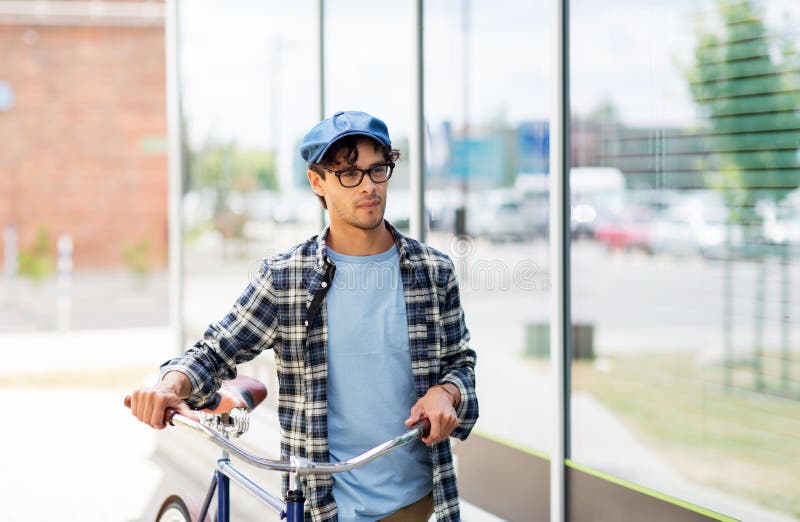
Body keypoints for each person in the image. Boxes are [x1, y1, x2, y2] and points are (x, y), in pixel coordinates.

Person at [128, 110, 478, 522]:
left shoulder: (431, 271)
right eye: (348, 173)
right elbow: (214, 351)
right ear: (318, 182)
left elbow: (460, 364)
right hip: (320, 507)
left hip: (416, 505)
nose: (368, 185)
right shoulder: (286, 279)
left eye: (377, 170)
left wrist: (447, 392)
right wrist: (169, 385)